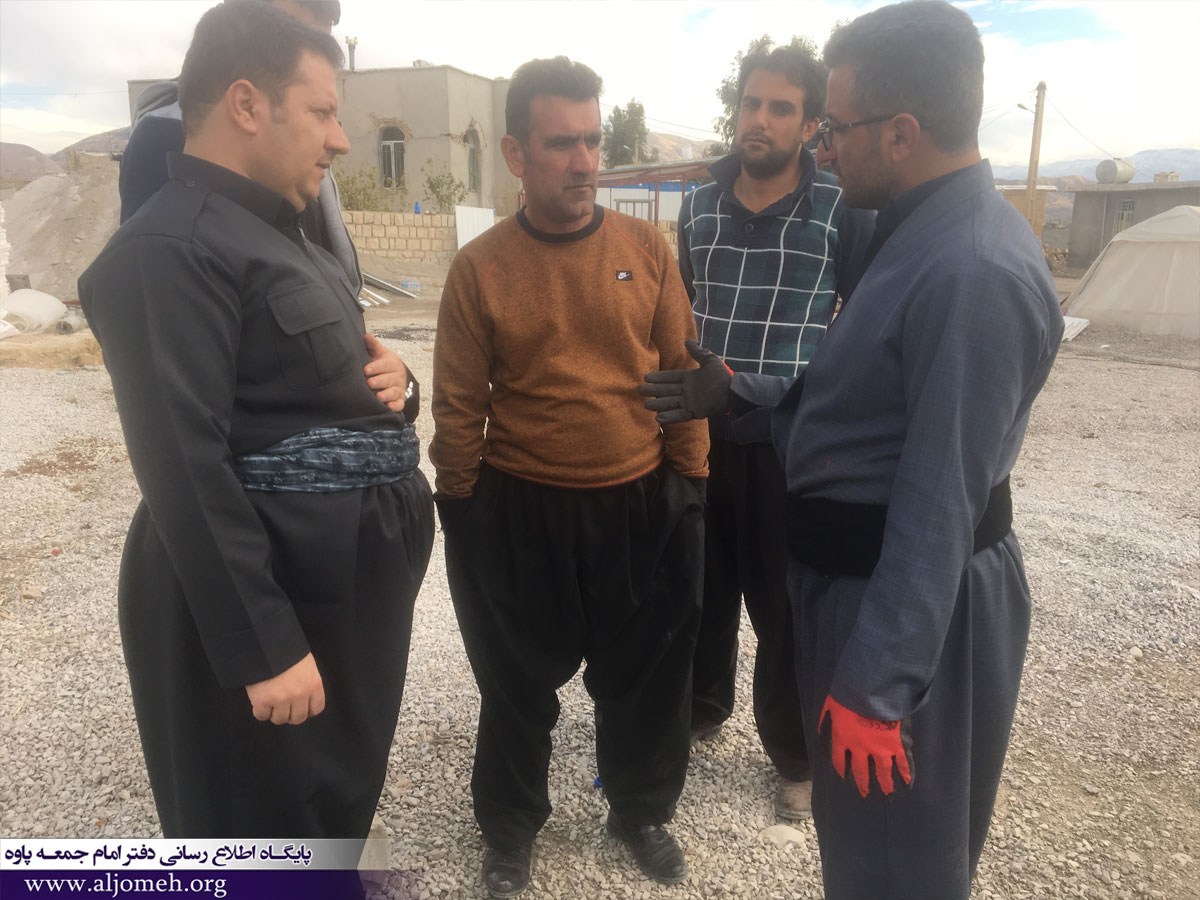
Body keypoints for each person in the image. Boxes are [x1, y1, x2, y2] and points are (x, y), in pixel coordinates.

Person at [644, 2, 1063, 897]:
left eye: (834, 128)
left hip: (899, 611)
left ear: (902, 133)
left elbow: (941, 497)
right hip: (860, 594)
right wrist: (740, 392)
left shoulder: (971, 270)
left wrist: (879, 687)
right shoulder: (917, 234)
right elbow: (861, 399)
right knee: (866, 855)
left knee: (896, 868)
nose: (824, 150)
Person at [78, 0, 434, 842]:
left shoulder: (287, 238)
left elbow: (316, 388)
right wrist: (263, 644)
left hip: (336, 586)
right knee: (255, 825)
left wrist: (400, 386)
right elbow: (181, 462)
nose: (339, 140)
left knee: (327, 807)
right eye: (322, 112)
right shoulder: (169, 250)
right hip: (279, 588)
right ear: (246, 104)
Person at [430, 56, 709, 898]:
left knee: (648, 678)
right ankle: (511, 829)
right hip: (523, 510)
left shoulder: (645, 249)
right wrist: (462, 506)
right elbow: (457, 404)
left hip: (640, 502)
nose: (584, 161)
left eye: (592, 141)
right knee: (514, 684)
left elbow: (683, 373)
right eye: (562, 144)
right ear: (516, 153)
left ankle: (639, 811)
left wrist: (691, 485)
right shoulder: (480, 268)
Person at [675, 44, 873, 822]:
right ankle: (701, 707)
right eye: (751, 103)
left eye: (781, 108)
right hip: (700, 434)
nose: (760, 120)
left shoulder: (841, 209)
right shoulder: (698, 206)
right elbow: (684, 304)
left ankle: (793, 754)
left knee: (785, 605)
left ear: (810, 124)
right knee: (699, 586)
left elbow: (859, 322)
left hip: (790, 441)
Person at [119, 0, 413, 415]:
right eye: (295, 33)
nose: (339, 142)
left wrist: (398, 384)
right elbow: (159, 307)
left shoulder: (297, 154)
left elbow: (320, 248)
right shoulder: (168, 138)